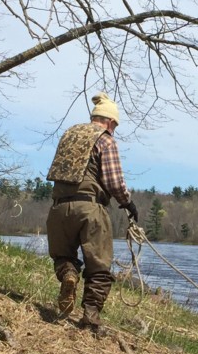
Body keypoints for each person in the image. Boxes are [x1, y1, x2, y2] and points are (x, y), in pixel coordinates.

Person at [45, 92, 138, 334]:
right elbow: (114, 182)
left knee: (63, 256)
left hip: (58, 208)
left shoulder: (70, 135)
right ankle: (90, 318)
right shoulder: (106, 140)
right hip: (90, 209)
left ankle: (68, 275)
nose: (114, 130)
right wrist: (127, 204)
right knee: (99, 268)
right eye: (115, 125)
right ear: (109, 121)